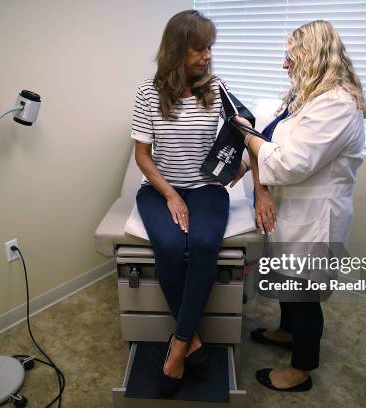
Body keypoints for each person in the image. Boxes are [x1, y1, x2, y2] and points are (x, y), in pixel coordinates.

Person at [233, 20, 366, 392]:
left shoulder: (338, 105)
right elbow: (274, 133)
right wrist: (249, 156)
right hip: (294, 209)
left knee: (306, 294)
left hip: (317, 217)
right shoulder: (307, 96)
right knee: (289, 281)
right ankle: (287, 332)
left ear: (313, 55)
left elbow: (291, 163)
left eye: (290, 56)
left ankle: (301, 369)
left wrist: (247, 137)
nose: (284, 65)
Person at [131, 10, 237, 396]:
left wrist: (242, 173)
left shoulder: (217, 88)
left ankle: (178, 346)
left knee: (206, 244)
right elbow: (142, 155)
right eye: (199, 48)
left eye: (210, 47)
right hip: (161, 189)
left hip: (207, 189)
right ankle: (192, 341)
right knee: (171, 246)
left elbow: (241, 134)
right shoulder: (149, 91)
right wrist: (172, 195)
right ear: (177, 50)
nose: (207, 55)